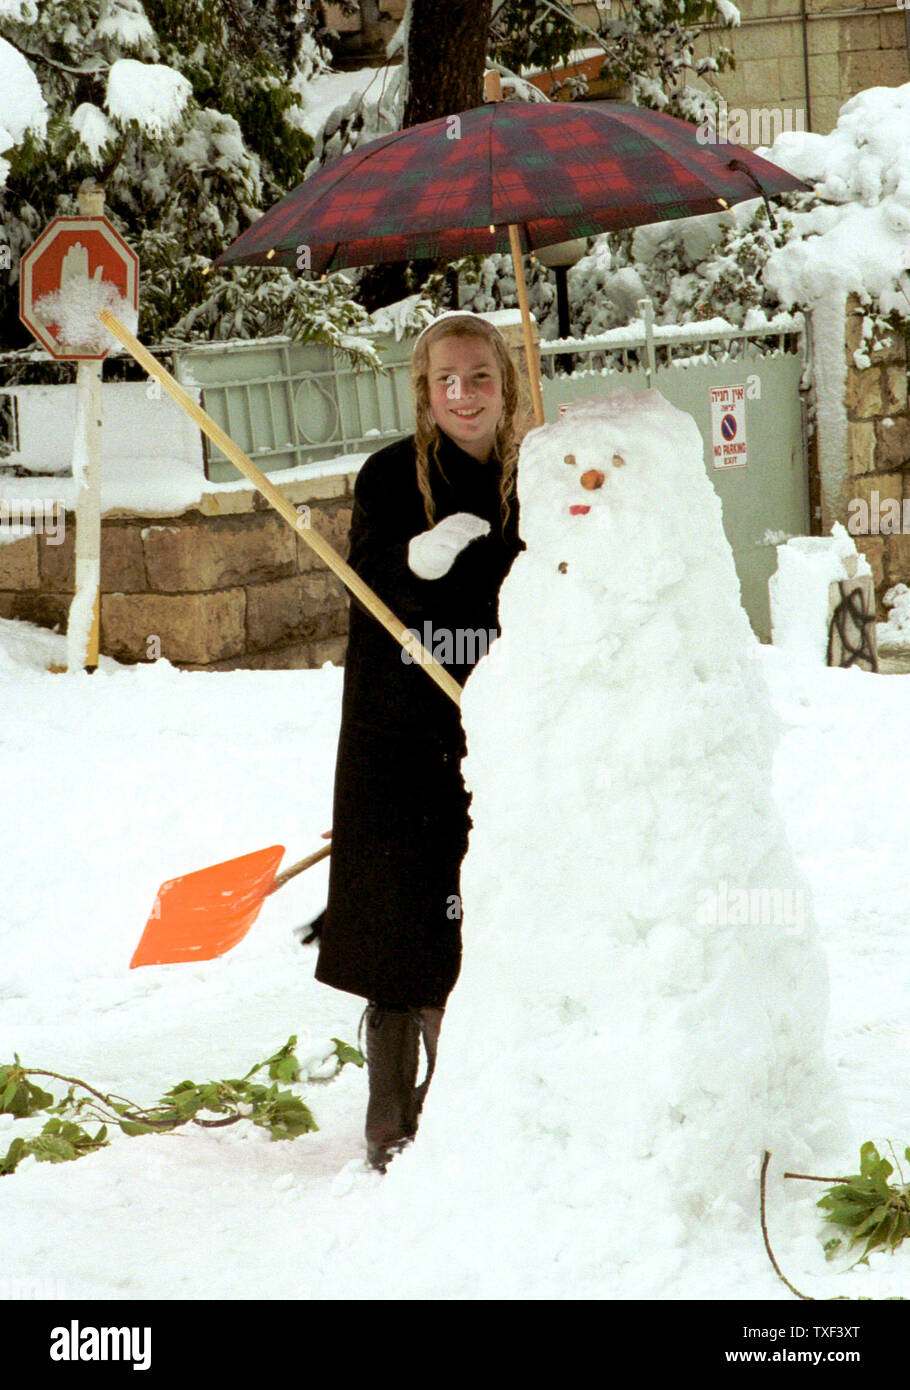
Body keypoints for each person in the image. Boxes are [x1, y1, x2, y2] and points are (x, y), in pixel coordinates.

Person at [315, 311, 524, 1171]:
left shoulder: (534, 474)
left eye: (479, 377)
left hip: (504, 722)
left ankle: (468, 1097)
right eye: (446, 379)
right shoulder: (391, 476)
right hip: (401, 725)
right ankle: (388, 1112)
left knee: (484, 903)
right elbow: (367, 590)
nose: (463, 394)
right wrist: (416, 562)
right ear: (423, 390)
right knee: (403, 901)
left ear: (505, 385)